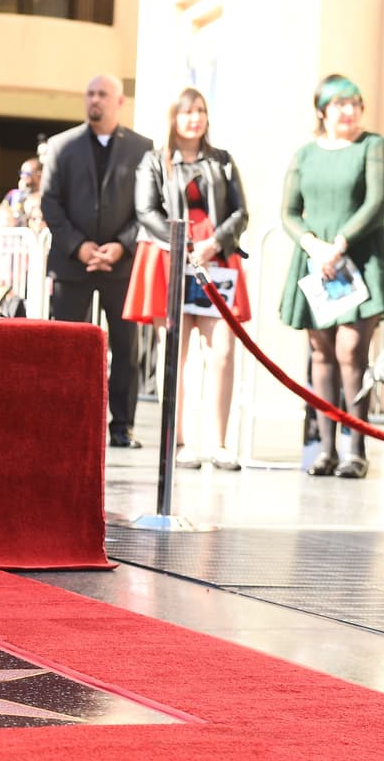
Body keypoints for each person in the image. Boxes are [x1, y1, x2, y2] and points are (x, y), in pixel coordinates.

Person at [278, 74, 384, 479]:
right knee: (321, 353)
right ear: (323, 111)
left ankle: (357, 446)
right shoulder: (305, 155)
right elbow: (289, 212)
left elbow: (376, 201)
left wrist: (341, 242)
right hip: (318, 260)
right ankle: (325, 448)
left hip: (361, 259)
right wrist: (313, 245)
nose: (349, 111)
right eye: (340, 104)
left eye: (355, 103)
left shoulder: (373, 146)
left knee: (351, 350)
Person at [125, 87, 250, 470]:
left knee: (222, 354)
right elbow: (145, 210)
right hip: (169, 258)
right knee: (174, 356)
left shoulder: (223, 161)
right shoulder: (153, 160)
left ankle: (219, 443)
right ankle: (176, 441)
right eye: (187, 112)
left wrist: (214, 243)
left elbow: (241, 212)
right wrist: (183, 244)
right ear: (174, 119)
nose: (195, 118)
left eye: (201, 111)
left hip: (216, 259)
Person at [40, 73, 154, 448]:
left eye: (103, 94)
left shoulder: (142, 148)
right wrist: (79, 246)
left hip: (122, 266)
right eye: (90, 93)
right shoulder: (61, 145)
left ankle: (122, 427)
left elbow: (148, 207)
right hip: (73, 265)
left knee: (125, 348)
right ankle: (66, 420)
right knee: (68, 348)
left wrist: (121, 246)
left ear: (119, 102)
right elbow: (50, 203)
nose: (95, 100)